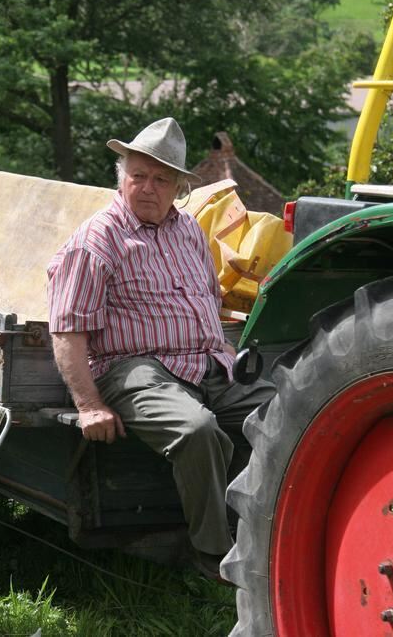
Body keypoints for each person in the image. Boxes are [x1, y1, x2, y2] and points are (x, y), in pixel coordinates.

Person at [46, 117, 275, 580]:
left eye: (161, 179)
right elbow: (67, 330)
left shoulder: (189, 230)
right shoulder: (97, 241)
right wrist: (89, 405)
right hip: (135, 369)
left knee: (285, 413)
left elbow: (210, 298)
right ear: (121, 177)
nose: (148, 187)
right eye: (138, 176)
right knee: (197, 430)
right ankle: (212, 555)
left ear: (178, 187)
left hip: (209, 362)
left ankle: (272, 536)